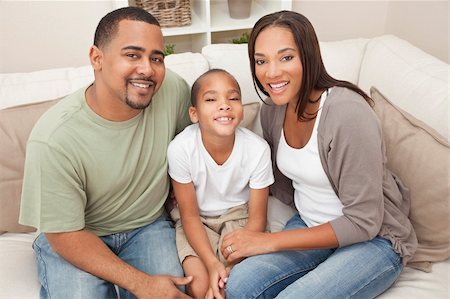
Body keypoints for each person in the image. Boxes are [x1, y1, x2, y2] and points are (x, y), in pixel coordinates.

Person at [222, 11, 418, 299]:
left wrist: (268, 241)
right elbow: (277, 180)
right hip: (310, 223)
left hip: (374, 239)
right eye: (261, 61)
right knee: (240, 286)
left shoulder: (347, 114)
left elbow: (364, 222)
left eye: (286, 57)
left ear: (309, 56)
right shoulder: (272, 110)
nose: (271, 73)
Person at [19, 7, 193, 299]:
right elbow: (63, 234)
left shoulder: (173, 90)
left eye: (156, 58)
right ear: (97, 58)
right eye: (132, 55)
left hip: (146, 225)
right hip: (77, 234)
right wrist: (141, 284)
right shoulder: (54, 138)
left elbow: (194, 150)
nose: (147, 69)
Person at [167, 69, 274, 299]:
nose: (224, 105)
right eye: (211, 99)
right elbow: (189, 217)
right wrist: (212, 263)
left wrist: (228, 270)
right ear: (194, 114)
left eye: (233, 98)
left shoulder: (257, 149)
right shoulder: (181, 148)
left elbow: (257, 218)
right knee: (199, 286)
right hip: (197, 222)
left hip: (239, 218)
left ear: (242, 109)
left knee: (231, 287)